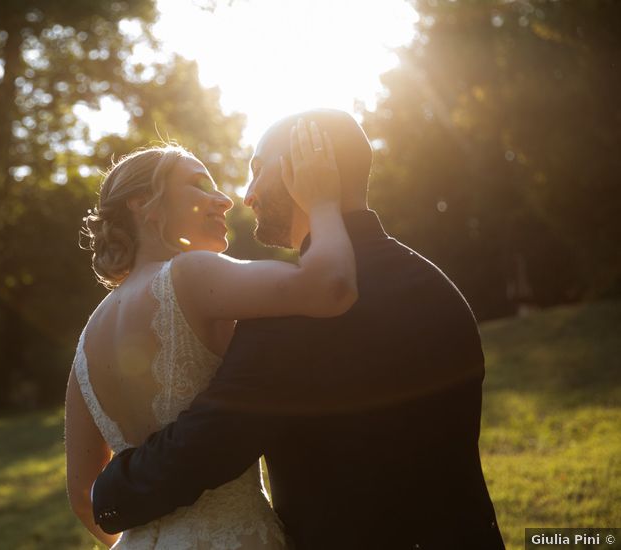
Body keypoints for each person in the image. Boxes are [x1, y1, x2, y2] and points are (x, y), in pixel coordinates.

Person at [90, 109, 507, 550]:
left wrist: (108, 491)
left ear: (309, 166)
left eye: (257, 170)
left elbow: (209, 443)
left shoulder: (294, 311)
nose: (246, 196)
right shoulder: (435, 284)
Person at [66, 117, 357, 548]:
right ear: (143, 203)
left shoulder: (86, 343)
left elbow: (85, 500)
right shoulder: (189, 275)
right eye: (200, 185)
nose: (223, 199)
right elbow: (331, 286)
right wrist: (323, 204)